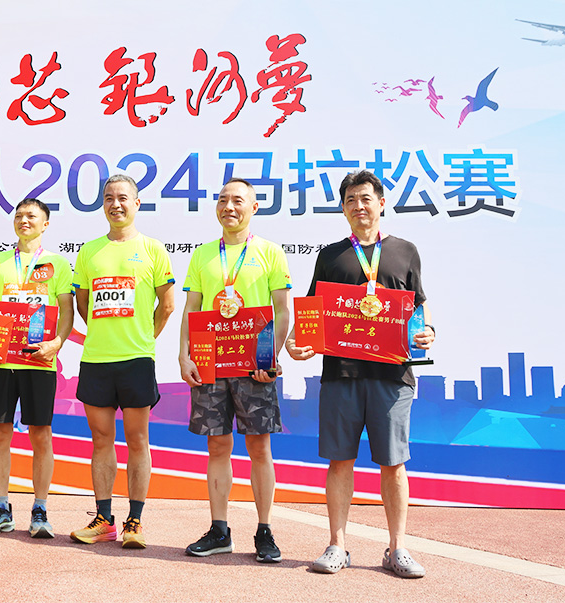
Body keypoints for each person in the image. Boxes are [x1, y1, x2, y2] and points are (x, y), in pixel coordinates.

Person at [286, 170, 435, 578]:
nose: (359, 206)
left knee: (394, 464)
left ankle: (397, 548)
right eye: (350, 200)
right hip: (341, 375)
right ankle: (337, 545)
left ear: (381, 203)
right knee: (340, 461)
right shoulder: (331, 256)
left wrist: (428, 332)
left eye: (366, 198)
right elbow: (313, 312)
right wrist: (296, 343)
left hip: (393, 377)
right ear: (343, 208)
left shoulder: (405, 251)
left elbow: (418, 307)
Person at [178, 178, 291, 562]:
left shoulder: (270, 252)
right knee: (217, 445)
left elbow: (282, 311)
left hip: (253, 367)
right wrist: (184, 356)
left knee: (259, 447)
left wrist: (269, 358)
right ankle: (219, 530)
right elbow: (192, 310)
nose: (229, 206)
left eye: (238, 200)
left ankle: (264, 531)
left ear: (254, 207)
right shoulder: (203, 255)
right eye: (223, 199)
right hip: (210, 364)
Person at [69, 174, 175, 549]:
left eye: (123, 198)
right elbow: (83, 304)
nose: (116, 204)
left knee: (137, 440)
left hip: (136, 360)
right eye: (109, 198)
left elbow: (167, 305)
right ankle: (104, 519)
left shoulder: (152, 249)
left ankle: (134, 521)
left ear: (137, 203)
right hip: (97, 359)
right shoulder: (89, 251)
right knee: (101, 440)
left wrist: (143, 337)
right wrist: (104, 333)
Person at [0, 198, 74, 538]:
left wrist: (57, 342)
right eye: (19, 215)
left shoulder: (58, 263)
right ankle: (1, 508)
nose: (23, 220)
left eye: (31, 216)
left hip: (38, 361)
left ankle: (40, 510)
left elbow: (67, 309)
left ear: (46, 224)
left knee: (40, 434)